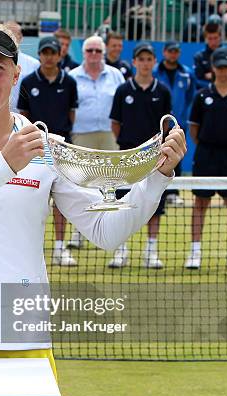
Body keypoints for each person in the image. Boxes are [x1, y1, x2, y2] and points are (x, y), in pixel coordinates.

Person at [0, 20, 185, 368]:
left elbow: (105, 232)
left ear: (16, 73)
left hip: (22, 331)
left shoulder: (49, 149)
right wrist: (4, 165)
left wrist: (156, 178)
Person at [109, 43, 172, 269]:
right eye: (141, 59)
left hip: (154, 158)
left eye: (149, 59)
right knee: (123, 203)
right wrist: (129, 149)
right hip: (127, 157)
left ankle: (150, 252)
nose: (145, 63)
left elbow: (167, 126)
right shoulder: (123, 90)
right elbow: (116, 124)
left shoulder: (163, 91)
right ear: (134, 62)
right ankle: (121, 251)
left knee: (154, 203)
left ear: (154, 62)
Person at [17, 36, 79, 268]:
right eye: (44, 52)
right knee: (32, 199)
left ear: (59, 55)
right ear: (40, 55)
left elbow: (71, 115)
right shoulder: (28, 82)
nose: (48, 57)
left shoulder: (70, 83)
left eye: (52, 52)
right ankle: (29, 248)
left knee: (62, 202)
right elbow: (24, 117)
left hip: (63, 149)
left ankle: (60, 248)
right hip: (35, 148)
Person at [186, 48, 227, 271]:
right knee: (200, 202)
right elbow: (193, 129)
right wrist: (207, 144)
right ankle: (194, 252)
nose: (222, 71)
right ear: (213, 68)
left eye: (226, 67)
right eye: (218, 67)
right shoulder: (202, 96)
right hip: (206, 155)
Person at [67, 35, 124, 250]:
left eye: (97, 51)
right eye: (89, 51)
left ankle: (115, 230)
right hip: (81, 135)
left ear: (103, 53)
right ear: (83, 53)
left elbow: (121, 108)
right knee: (82, 185)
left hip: (109, 135)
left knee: (112, 182)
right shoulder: (72, 76)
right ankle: (79, 233)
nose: (93, 55)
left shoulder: (115, 75)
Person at [153, 41, 196, 207]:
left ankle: (173, 192)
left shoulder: (187, 73)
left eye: (176, 51)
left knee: (176, 156)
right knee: (157, 157)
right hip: (158, 124)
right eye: (170, 51)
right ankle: (158, 191)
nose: (173, 54)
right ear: (164, 52)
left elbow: (190, 96)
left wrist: (181, 115)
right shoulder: (156, 71)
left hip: (178, 123)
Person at [4, 20, 39, 113]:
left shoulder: (34, 64)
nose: (10, 39)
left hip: (25, 117)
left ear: (21, 37)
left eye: (13, 35)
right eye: (6, 35)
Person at [193, 22, 222, 90]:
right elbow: (197, 79)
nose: (213, 42)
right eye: (210, 39)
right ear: (205, 39)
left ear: (220, 37)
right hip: (206, 91)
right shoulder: (199, 56)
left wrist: (212, 75)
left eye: (215, 38)